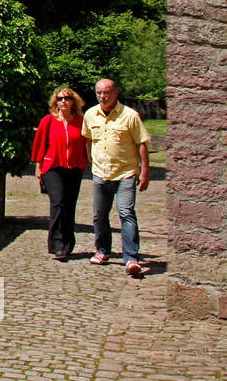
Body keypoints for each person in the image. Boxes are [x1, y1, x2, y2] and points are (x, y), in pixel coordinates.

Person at [82, 78, 151, 276]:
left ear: (115, 93)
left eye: (107, 93)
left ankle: (131, 258)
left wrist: (144, 171)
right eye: (99, 93)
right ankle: (102, 251)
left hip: (125, 173)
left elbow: (142, 144)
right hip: (101, 172)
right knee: (100, 215)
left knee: (126, 213)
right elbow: (88, 139)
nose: (103, 96)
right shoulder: (90, 114)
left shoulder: (130, 115)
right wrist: (89, 159)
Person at [31, 86, 88, 260]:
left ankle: (68, 243)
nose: (64, 101)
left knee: (70, 205)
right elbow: (40, 144)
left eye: (67, 98)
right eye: (60, 98)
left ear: (73, 101)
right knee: (58, 202)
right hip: (53, 167)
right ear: (55, 102)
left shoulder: (80, 121)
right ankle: (57, 244)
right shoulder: (48, 121)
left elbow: (87, 143)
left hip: (74, 168)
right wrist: (38, 167)